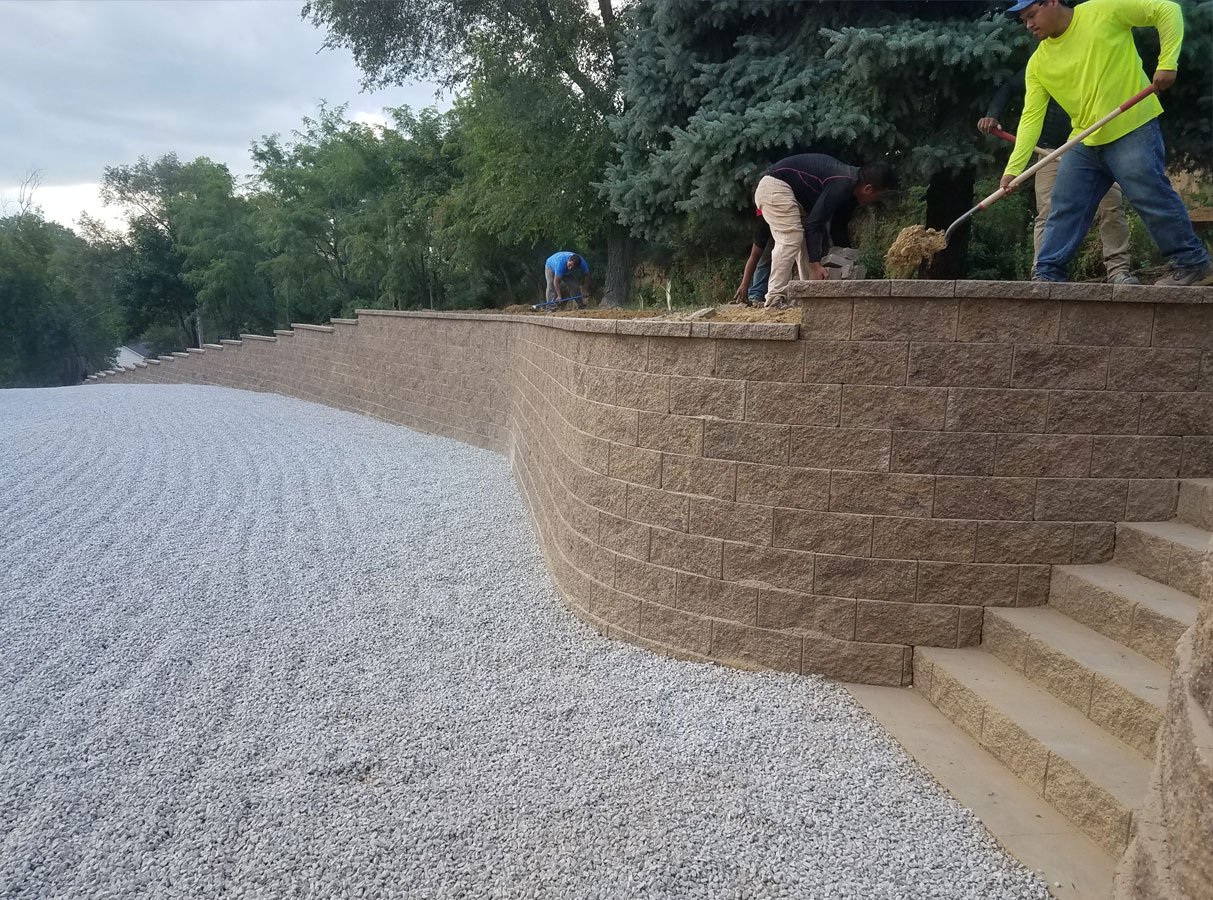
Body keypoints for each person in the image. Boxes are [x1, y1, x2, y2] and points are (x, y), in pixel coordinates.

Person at [1000, 0, 1210, 287]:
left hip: (1131, 126)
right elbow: (1030, 118)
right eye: (1024, 20)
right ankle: (1048, 274)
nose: (1029, 25)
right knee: (1065, 204)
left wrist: (1167, 62)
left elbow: (1167, 9)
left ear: (1051, 2)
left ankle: (1192, 262)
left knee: (1148, 193)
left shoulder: (1102, 10)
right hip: (1085, 139)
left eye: (1032, 15)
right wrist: (1013, 170)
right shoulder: (1038, 63)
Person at [979, 65, 1137, 284]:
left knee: (1111, 206)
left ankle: (1119, 270)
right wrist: (992, 115)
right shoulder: (1043, 63)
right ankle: (1042, 271)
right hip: (1050, 152)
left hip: (1092, 147)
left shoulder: (1094, 59)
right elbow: (1009, 87)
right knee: (1047, 210)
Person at [753, 154, 897, 308]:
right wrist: (816, 265)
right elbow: (814, 223)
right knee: (791, 238)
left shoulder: (850, 192)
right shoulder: (842, 183)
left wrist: (848, 259)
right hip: (775, 187)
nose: (874, 201)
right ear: (868, 188)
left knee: (806, 248)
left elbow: (837, 229)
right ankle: (774, 299)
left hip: (794, 198)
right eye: (878, 195)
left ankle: (807, 298)